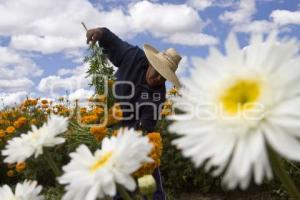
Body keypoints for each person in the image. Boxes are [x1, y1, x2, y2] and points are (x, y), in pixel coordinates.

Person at [86, 27, 182, 200]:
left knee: (149, 169)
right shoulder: (134, 57)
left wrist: (134, 145)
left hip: (138, 128)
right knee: (119, 179)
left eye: (164, 77)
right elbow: (113, 41)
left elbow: (146, 124)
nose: (158, 79)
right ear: (152, 63)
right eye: (158, 73)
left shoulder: (157, 96)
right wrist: (100, 33)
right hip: (116, 122)